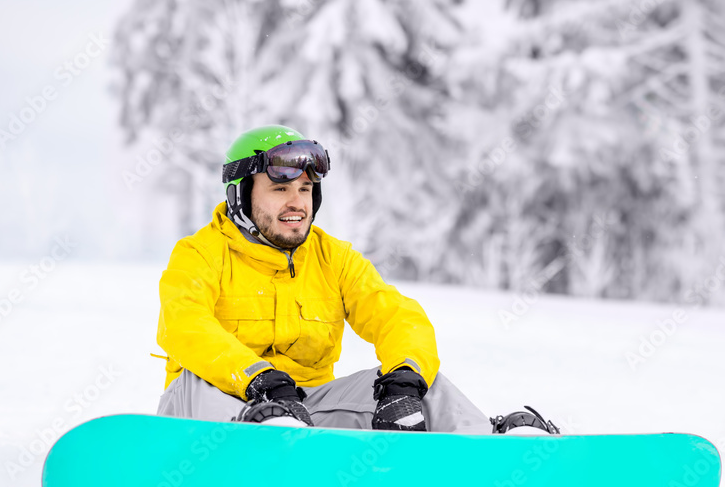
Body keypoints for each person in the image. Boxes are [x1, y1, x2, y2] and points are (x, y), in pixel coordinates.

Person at [155, 125, 559, 435]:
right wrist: (257, 379)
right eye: (280, 189)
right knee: (195, 383)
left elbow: (397, 317)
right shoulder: (199, 254)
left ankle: (488, 456)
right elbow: (186, 325)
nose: (298, 202)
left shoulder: (334, 258)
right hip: (209, 411)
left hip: (302, 412)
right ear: (240, 196)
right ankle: (260, 451)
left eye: (307, 189)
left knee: (424, 386)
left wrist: (404, 379)